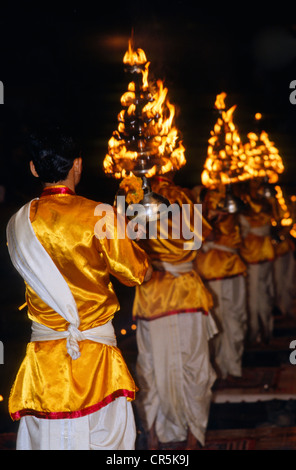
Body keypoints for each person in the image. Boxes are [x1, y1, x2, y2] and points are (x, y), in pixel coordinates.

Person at [6, 127, 152, 451]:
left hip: (44, 366)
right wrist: (132, 237)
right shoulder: (102, 216)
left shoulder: (17, 224)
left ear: (33, 168)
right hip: (98, 363)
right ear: (78, 166)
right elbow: (138, 274)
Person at [130, 172, 217, 450]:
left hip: (152, 293)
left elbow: (125, 244)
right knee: (195, 366)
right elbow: (204, 235)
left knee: (150, 367)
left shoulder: (131, 196)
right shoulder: (181, 197)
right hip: (184, 291)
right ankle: (193, 437)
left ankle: (153, 437)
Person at [194, 184, 248, 381]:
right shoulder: (196, 199)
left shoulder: (230, 197)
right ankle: (220, 370)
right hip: (209, 273)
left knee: (234, 320)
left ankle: (232, 367)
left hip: (231, 270)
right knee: (216, 324)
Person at [237, 179, 275, 344]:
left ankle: (257, 330)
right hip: (260, 250)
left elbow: (243, 232)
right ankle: (262, 328)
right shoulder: (261, 203)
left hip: (255, 251)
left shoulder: (251, 206)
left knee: (256, 292)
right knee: (261, 291)